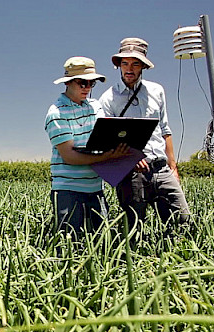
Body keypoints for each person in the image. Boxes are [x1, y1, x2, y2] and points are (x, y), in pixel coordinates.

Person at [99, 38, 190, 229]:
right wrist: (132, 156)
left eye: (135, 64)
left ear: (143, 66)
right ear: (119, 66)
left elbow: (165, 129)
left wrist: (173, 167)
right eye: (125, 63)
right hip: (131, 173)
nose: (129, 69)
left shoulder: (157, 91)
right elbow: (107, 138)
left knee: (182, 222)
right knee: (134, 230)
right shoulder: (108, 98)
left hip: (161, 169)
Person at [45, 56, 130, 236]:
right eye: (82, 83)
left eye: (92, 83)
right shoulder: (56, 113)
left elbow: (104, 138)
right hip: (68, 190)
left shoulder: (95, 106)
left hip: (95, 187)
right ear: (68, 83)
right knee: (69, 242)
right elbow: (69, 156)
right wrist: (107, 157)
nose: (87, 88)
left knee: (103, 241)